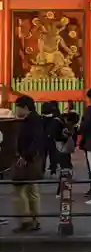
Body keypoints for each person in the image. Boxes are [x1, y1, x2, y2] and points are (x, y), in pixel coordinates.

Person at [12, 95, 44, 233]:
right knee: (32, 191)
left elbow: (36, 140)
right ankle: (34, 220)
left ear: (25, 108)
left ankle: (26, 220)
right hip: (33, 159)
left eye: (17, 107)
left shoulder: (32, 121)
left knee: (19, 191)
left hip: (28, 160)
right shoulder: (34, 119)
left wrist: (25, 156)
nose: (16, 110)